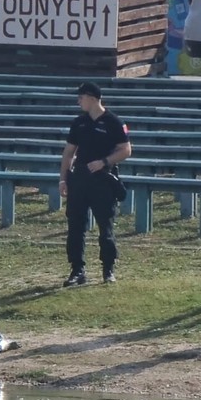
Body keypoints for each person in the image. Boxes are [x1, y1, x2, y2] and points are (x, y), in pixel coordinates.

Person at [59, 82, 132, 286]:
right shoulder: (79, 122)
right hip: (80, 179)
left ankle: (108, 269)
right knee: (76, 225)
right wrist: (63, 179)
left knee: (105, 226)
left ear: (92, 98)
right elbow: (68, 153)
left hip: (103, 179)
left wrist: (104, 162)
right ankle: (77, 270)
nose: (78, 102)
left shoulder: (113, 121)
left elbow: (126, 150)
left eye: (81, 98)